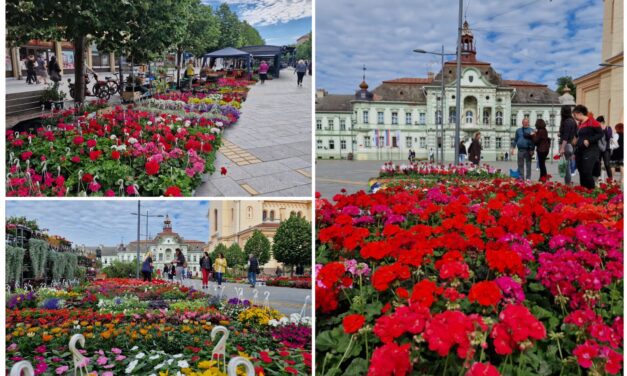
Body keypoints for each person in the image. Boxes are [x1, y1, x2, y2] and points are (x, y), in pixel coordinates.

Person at [573, 105, 603, 189]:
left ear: (580, 113)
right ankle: (583, 190)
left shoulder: (592, 122)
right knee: (581, 172)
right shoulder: (580, 124)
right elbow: (578, 135)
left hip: (590, 151)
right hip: (579, 151)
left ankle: (591, 191)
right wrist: (575, 140)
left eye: (575, 115)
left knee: (587, 171)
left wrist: (589, 140)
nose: (574, 117)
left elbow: (600, 134)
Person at [558, 106, 578, 186]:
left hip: (567, 145)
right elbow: (575, 134)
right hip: (571, 145)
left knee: (566, 166)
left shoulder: (567, 122)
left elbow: (566, 136)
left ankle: (568, 184)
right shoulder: (573, 121)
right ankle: (568, 183)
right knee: (567, 165)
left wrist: (562, 148)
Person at [595, 116, 613, 181]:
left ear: (602, 122)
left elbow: (609, 137)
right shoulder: (596, 129)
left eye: (598, 123)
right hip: (598, 148)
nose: (597, 124)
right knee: (598, 163)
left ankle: (610, 180)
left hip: (607, 149)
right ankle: (598, 178)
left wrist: (604, 130)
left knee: (607, 164)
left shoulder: (608, 128)